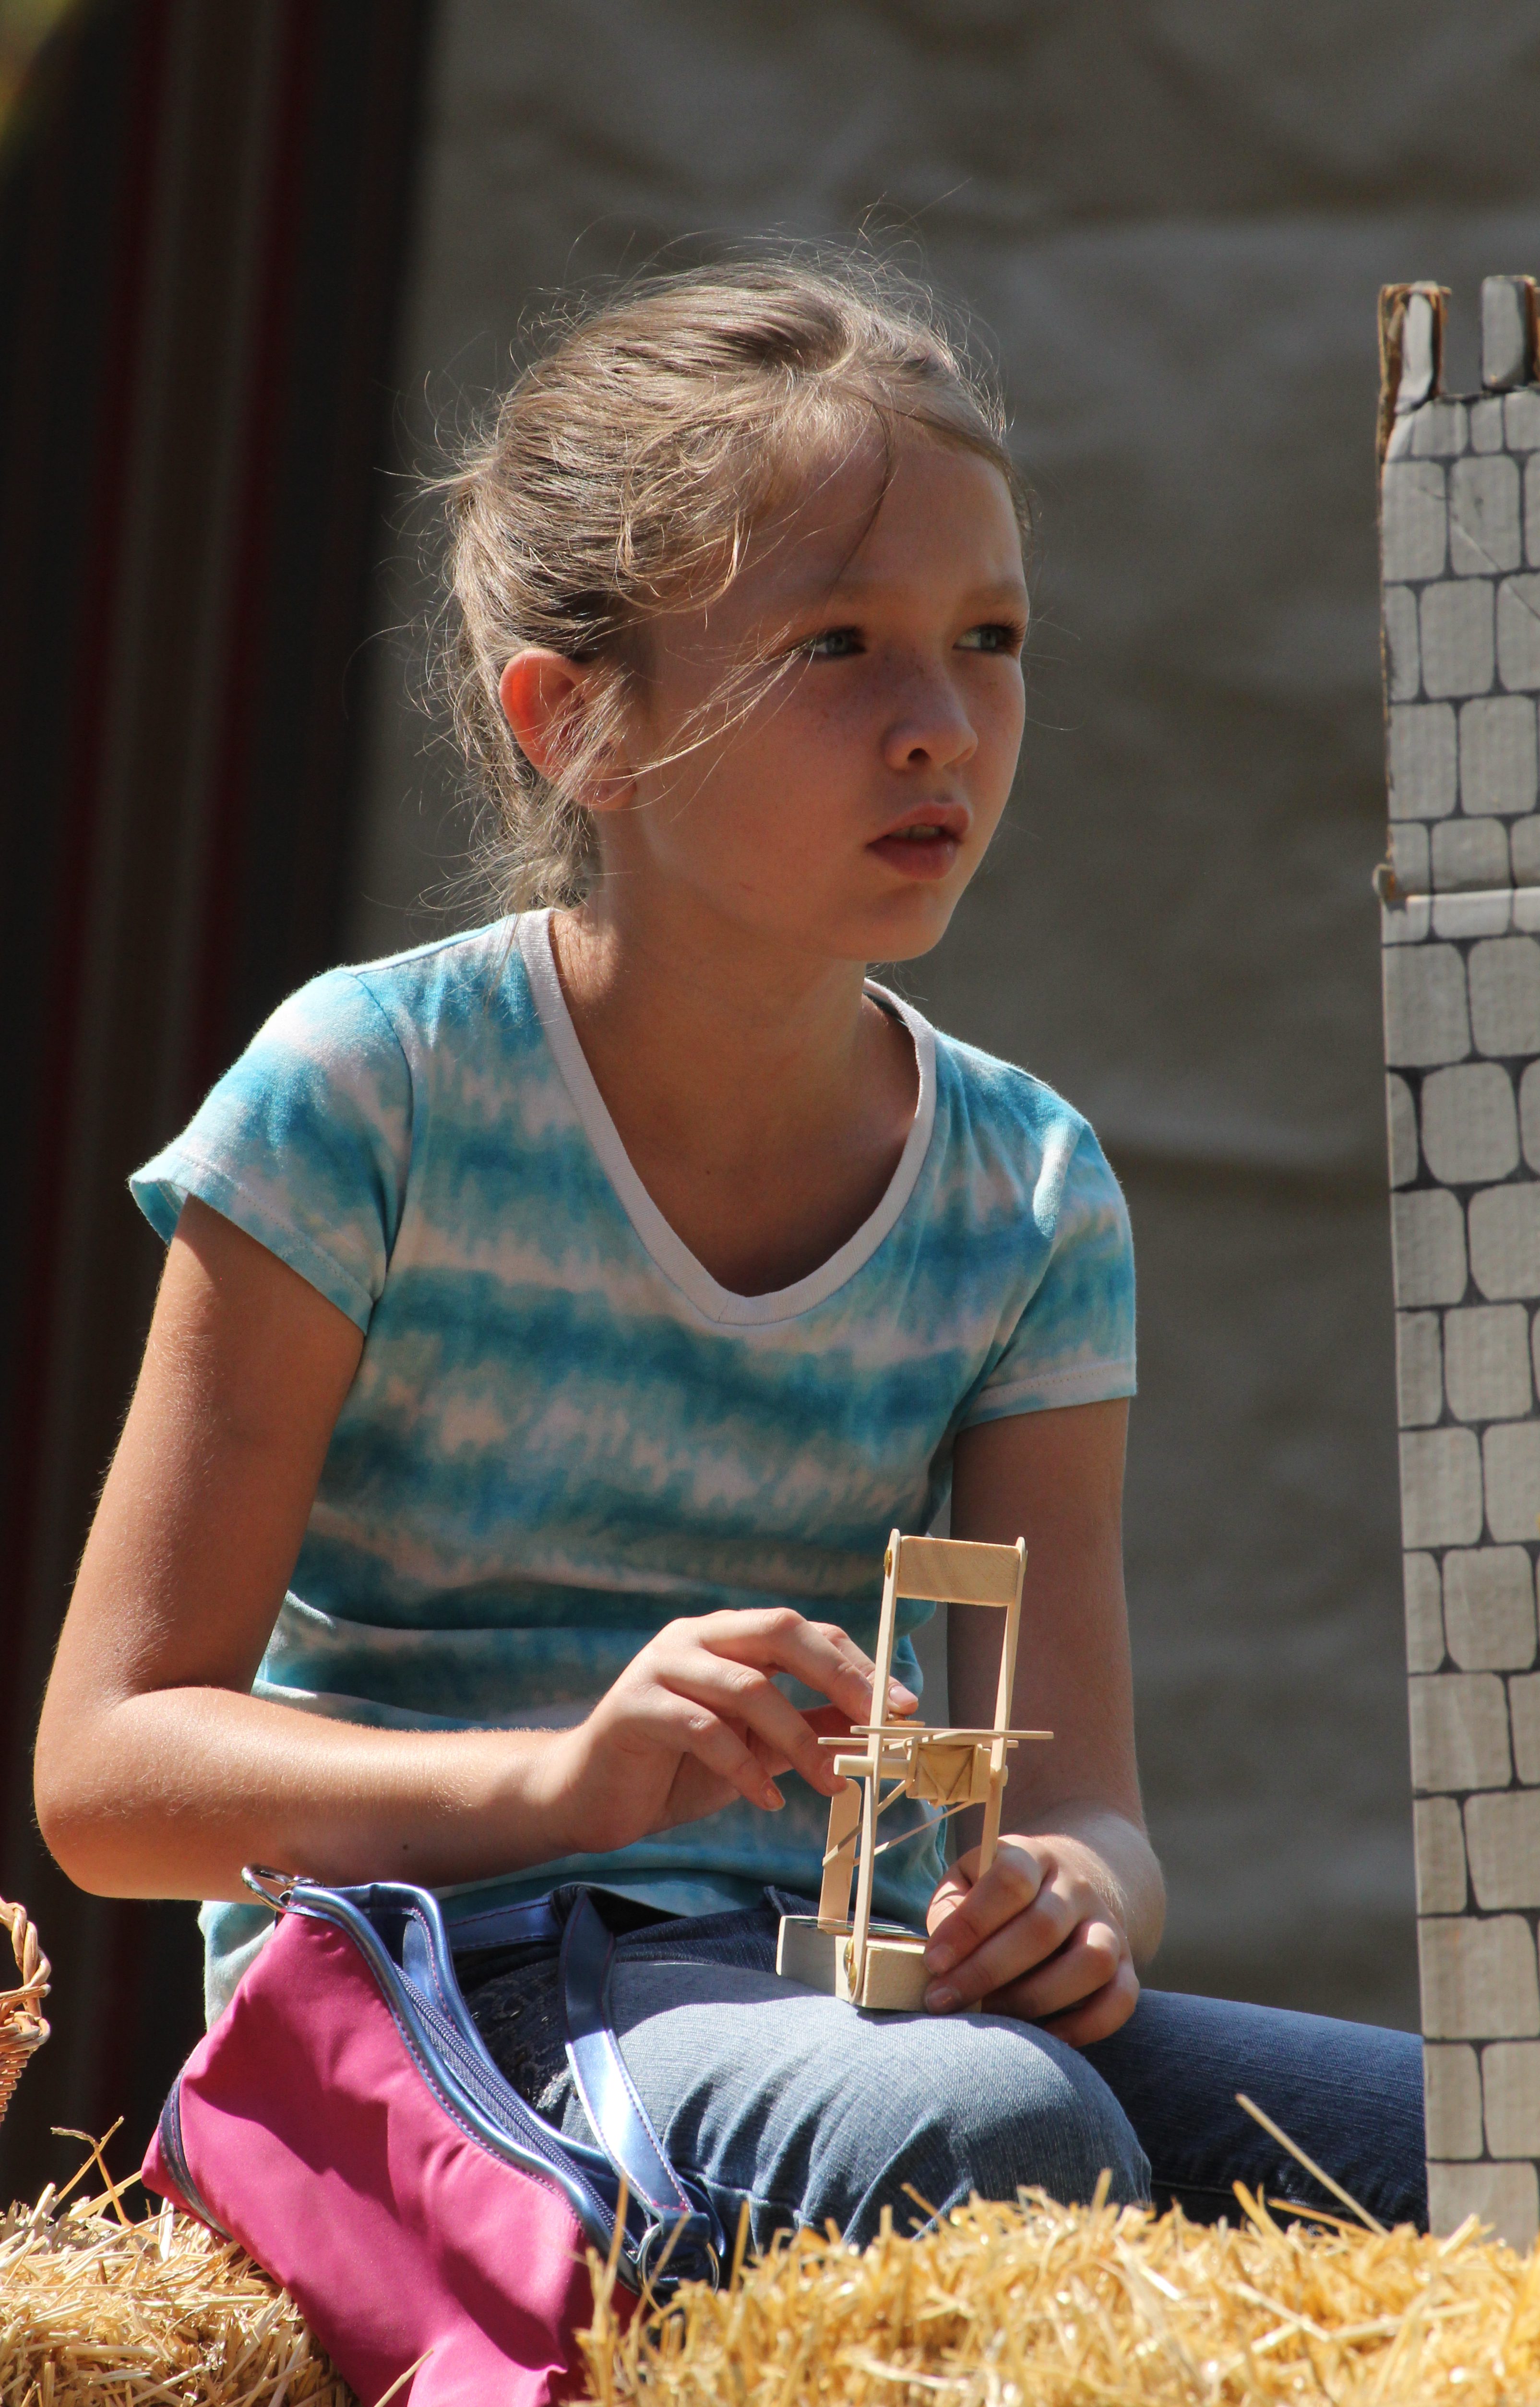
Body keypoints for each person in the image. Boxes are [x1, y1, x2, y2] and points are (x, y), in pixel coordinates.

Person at [34, 251, 1424, 2250]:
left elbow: (1083, 1806)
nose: (941, 725)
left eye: (992, 638)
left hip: (858, 2003)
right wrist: (566, 1788)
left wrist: (1069, 1902)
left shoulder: (1029, 1189)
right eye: (836, 645)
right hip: (443, 1996)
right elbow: (106, 1780)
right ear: (575, 725)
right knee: (989, 2134)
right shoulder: (364, 1094)